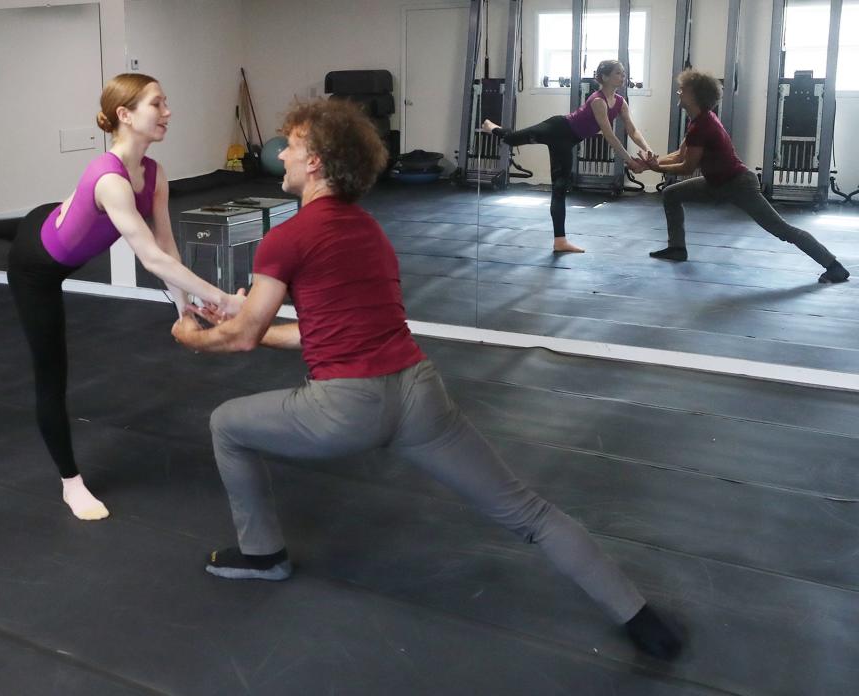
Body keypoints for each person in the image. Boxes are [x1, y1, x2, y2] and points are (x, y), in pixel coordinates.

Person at [171, 98, 683, 660]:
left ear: (315, 161)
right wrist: (245, 322)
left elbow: (244, 337)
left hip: (345, 408)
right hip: (420, 395)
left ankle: (263, 555)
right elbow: (310, 330)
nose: (283, 154)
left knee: (226, 424)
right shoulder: (368, 229)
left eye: (291, 145)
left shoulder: (286, 239)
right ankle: (640, 616)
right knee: (529, 513)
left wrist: (196, 336)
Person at [0, 73, 236, 520]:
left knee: (43, 218)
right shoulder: (110, 181)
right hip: (36, 267)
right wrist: (226, 299)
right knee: (52, 374)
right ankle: (71, 483)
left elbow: (166, 248)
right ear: (125, 115)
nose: (168, 112)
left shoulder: (155, 174)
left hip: (49, 220)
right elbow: (151, 260)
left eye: (166, 103)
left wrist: (185, 305)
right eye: (157, 104)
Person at [644, 69, 849, 284]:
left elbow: (687, 167)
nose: (678, 93)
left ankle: (834, 267)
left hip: (738, 185)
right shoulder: (698, 120)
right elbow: (680, 154)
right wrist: (651, 163)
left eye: (682, 91)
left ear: (694, 96)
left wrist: (655, 168)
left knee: (782, 230)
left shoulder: (703, 125)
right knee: (671, 194)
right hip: (716, 183)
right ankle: (677, 248)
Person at [481, 60, 652, 253]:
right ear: (605, 77)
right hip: (556, 129)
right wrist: (629, 161)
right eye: (618, 73)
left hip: (568, 142)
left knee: (560, 189)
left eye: (623, 73)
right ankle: (491, 126)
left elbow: (632, 129)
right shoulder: (598, 101)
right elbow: (609, 135)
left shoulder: (620, 102)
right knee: (511, 139)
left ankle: (560, 241)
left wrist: (647, 149)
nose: (623, 76)